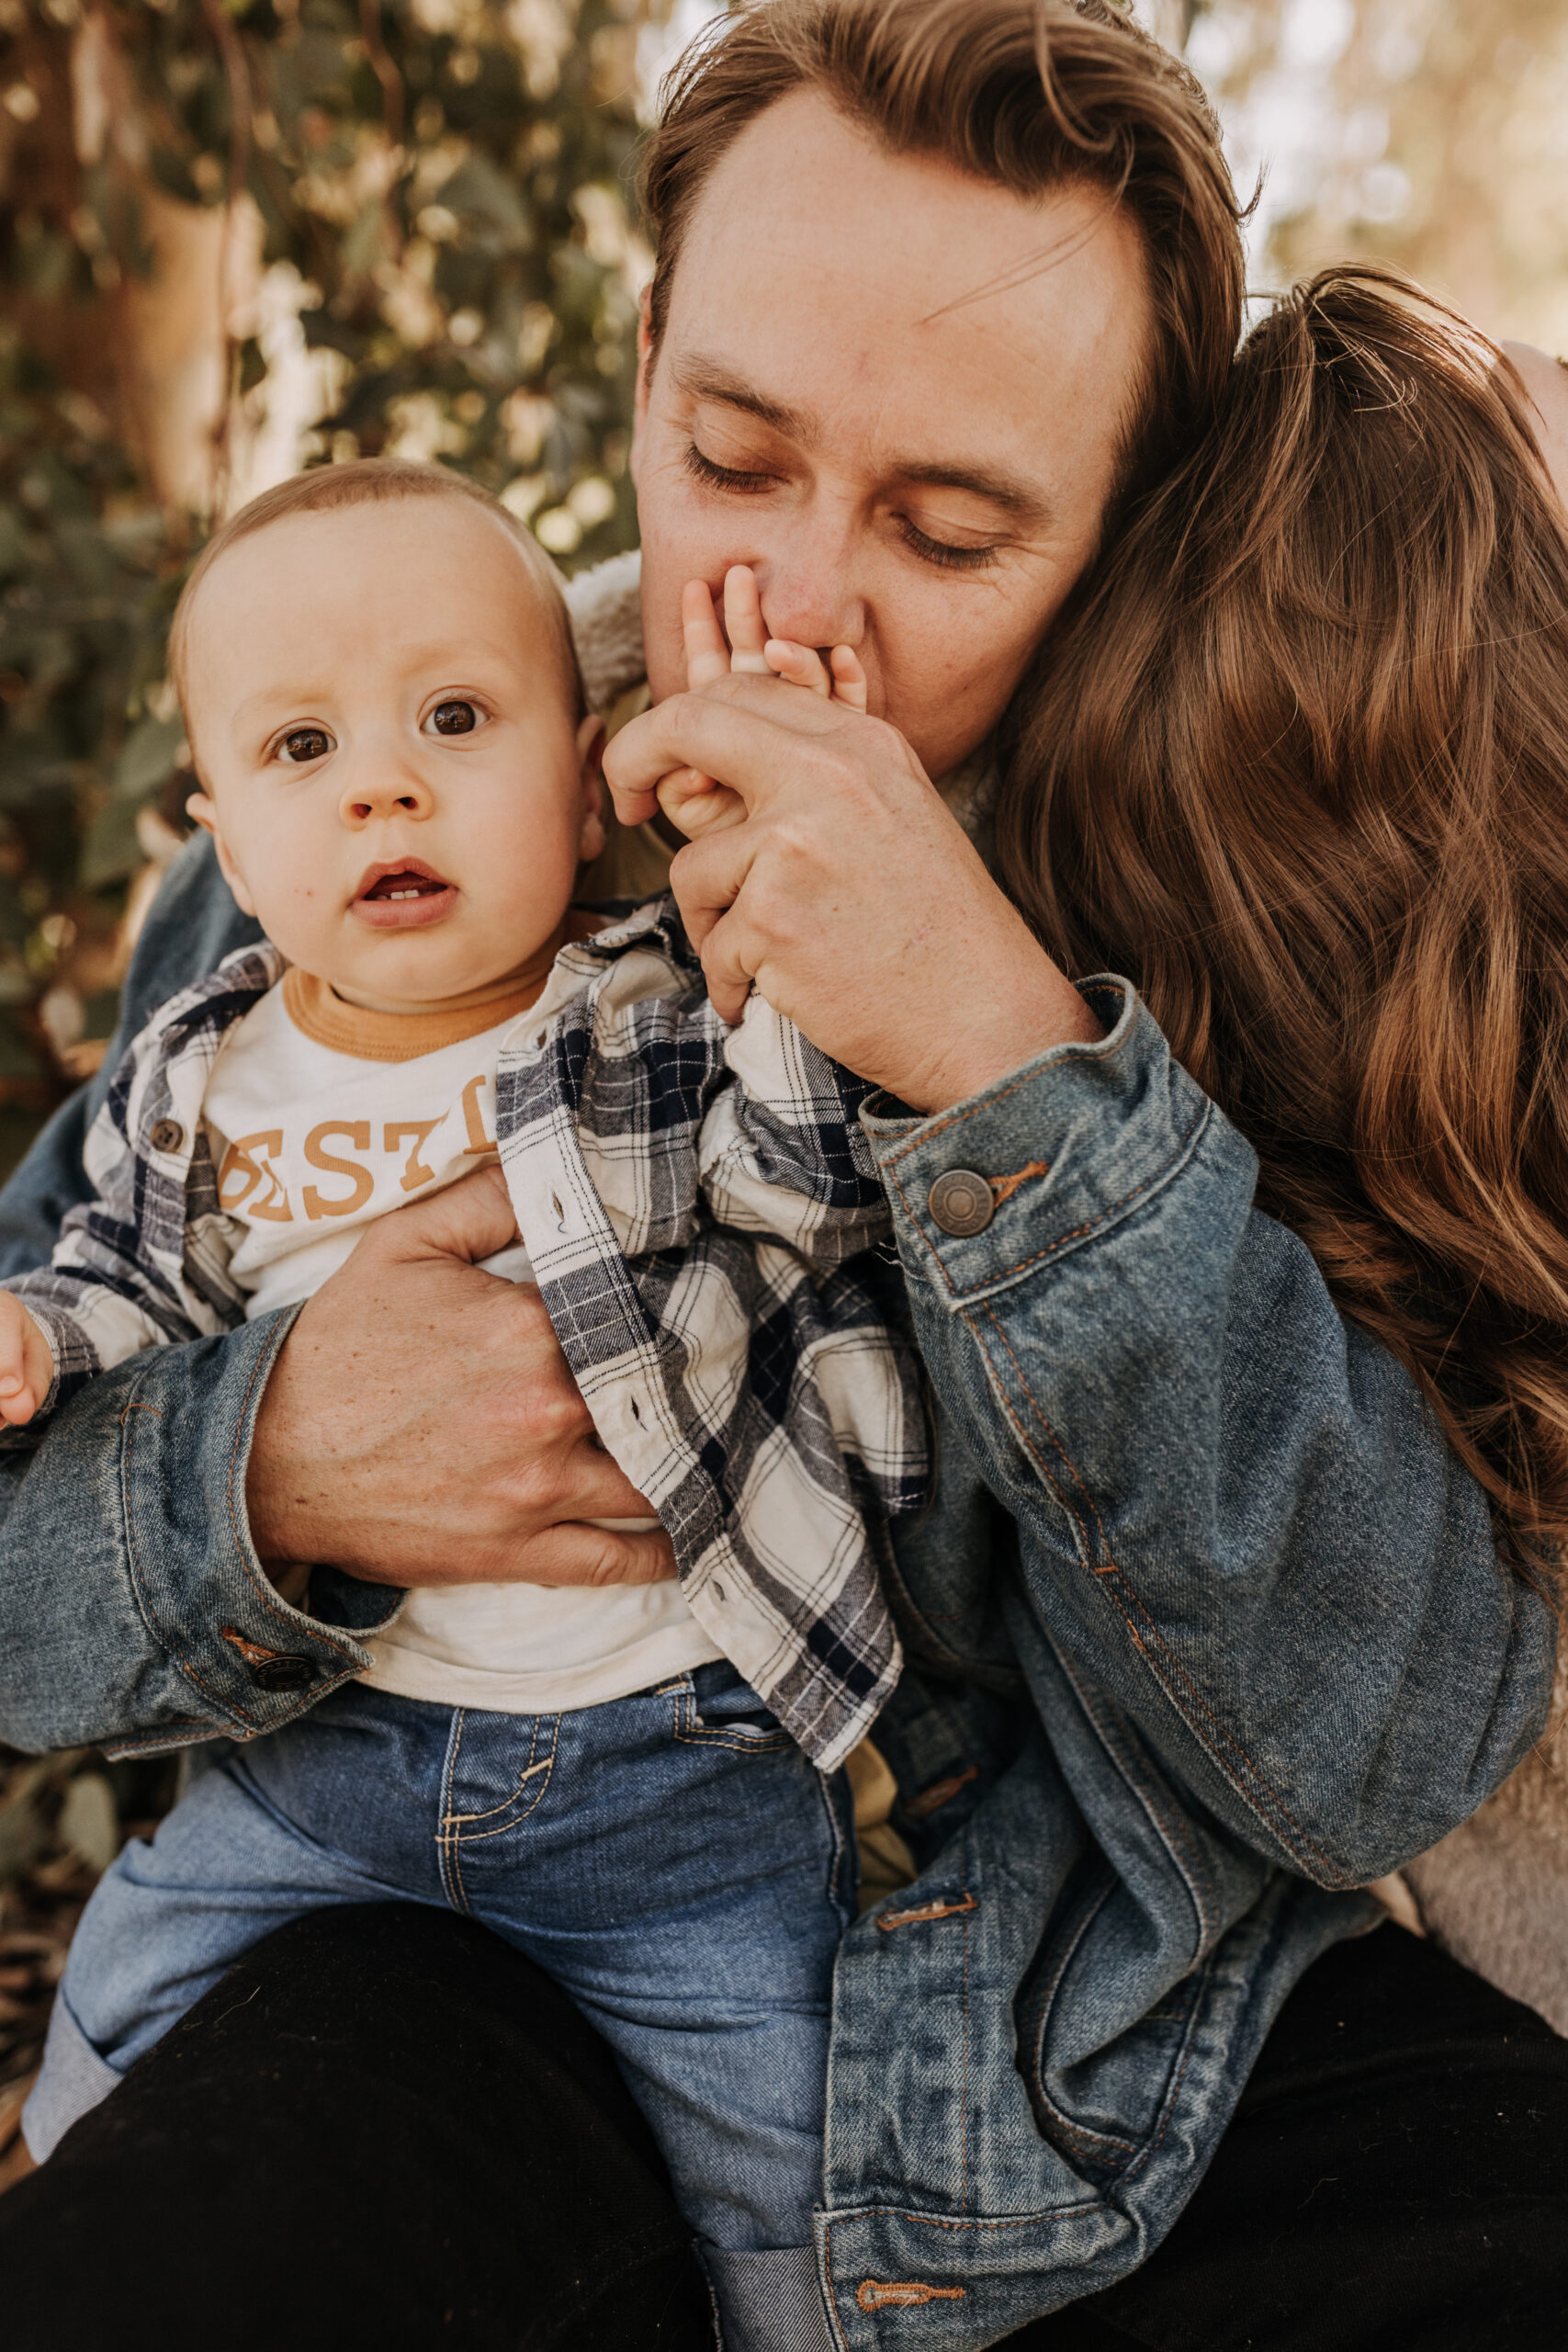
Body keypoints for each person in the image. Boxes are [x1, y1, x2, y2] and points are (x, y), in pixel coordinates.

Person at [0, 4, 1562, 2345]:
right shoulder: (356, 864)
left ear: (1123, 532)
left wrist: (1004, 1057)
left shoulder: (1228, 891)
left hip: (1109, 2024)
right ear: (638, 366)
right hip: (445, 1940)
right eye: (731, 456)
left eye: (948, 528)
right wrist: (268, 1460)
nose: (806, 603)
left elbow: (1383, 1737)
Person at [7, 457, 927, 2352]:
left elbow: (805, 1182)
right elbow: (130, 1281)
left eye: (451, 717)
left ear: (577, 762)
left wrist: (788, 913)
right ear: (224, 844)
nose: (384, 784)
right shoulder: (199, 1075)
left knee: (796, 2184)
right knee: (111, 2002)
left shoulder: (640, 1012)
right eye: (301, 747)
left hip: (671, 1784)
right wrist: (36, 1331)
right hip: (323, 1768)